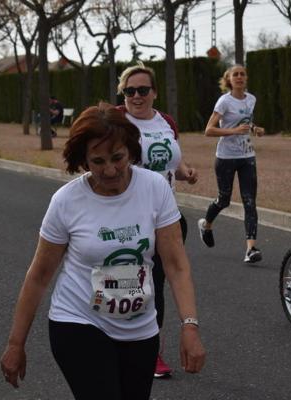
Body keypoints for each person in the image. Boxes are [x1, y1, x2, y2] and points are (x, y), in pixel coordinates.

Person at [0, 103, 206, 400]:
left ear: (132, 151)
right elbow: (39, 276)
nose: (110, 170)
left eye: (117, 158)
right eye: (97, 161)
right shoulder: (66, 201)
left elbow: (176, 265)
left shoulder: (155, 189)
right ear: (82, 160)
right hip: (79, 321)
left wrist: (190, 326)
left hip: (139, 328)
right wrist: (15, 343)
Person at [116, 62, 198, 378]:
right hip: (126, 218)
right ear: (122, 93)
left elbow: (170, 159)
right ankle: (113, 341)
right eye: (130, 91)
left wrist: (184, 172)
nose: (137, 96)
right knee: (125, 284)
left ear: (154, 92)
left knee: (155, 286)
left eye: (143, 90)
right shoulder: (116, 121)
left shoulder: (166, 122)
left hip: (165, 217)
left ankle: (151, 352)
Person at [198, 64, 265, 263]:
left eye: (243, 74)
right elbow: (209, 130)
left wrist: (254, 128)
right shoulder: (224, 101)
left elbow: (245, 121)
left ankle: (251, 249)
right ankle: (206, 225)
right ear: (229, 79)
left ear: (246, 78)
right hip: (226, 157)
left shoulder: (251, 99)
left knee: (250, 202)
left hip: (247, 156)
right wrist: (234, 131)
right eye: (235, 74)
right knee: (223, 199)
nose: (239, 77)